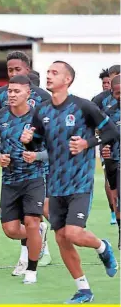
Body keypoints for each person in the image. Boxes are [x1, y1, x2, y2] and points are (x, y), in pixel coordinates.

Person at [21, 61, 118, 303]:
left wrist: (88, 144)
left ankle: (102, 247)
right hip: (55, 184)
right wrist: (27, 141)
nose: (49, 76)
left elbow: (112, 133)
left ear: (67, 80)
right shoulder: (41, 111)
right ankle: (83, 289)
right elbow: (37, 144)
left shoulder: (83, 106)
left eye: (54, 73)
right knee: (62, 238)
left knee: (74, 233)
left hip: (80, 182)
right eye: (48, 72)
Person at [0, 50, 52, 272]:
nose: (12, 73)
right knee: (14, 227)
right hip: (10, 174)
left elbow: (53, 137)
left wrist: (38, 154)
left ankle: (28, 261)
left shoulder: (42, 100)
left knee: (32, 217)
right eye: (10, 70)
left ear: (28, 71)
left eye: (17, 70)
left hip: (38, 170)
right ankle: (36, 238)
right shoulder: (2, 99)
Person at [92, 65, 120, 225]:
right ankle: (113, 210)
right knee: (111, 179)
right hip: (109, 146)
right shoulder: (100, 99)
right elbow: (92, 121)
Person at [101, 74, 120, 248]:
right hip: (113, 159)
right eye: (117, 93)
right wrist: (104, 148)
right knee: (116, 197)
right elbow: (103, 136)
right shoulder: (108, 113)